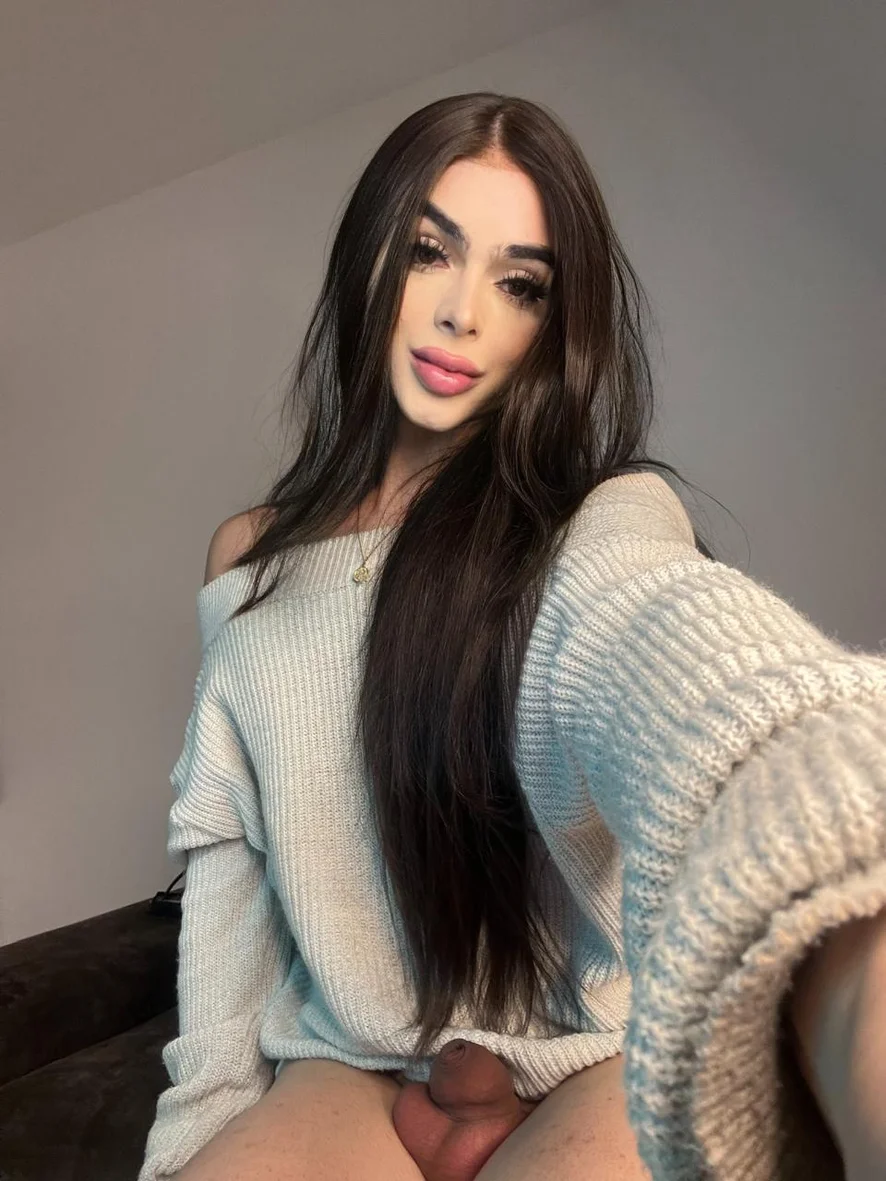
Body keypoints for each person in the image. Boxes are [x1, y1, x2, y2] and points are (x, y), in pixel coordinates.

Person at [138, 92, 886, 1181]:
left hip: (589, 1054)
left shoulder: (598, 520)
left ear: (554, 320)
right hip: (351, 1062)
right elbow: (230, 866)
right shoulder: (245, 557)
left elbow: (686, 666)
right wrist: (190, 1136)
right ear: (368, 258)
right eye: (429, 252)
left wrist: (844, 867)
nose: (462, 315)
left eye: (519, 283)